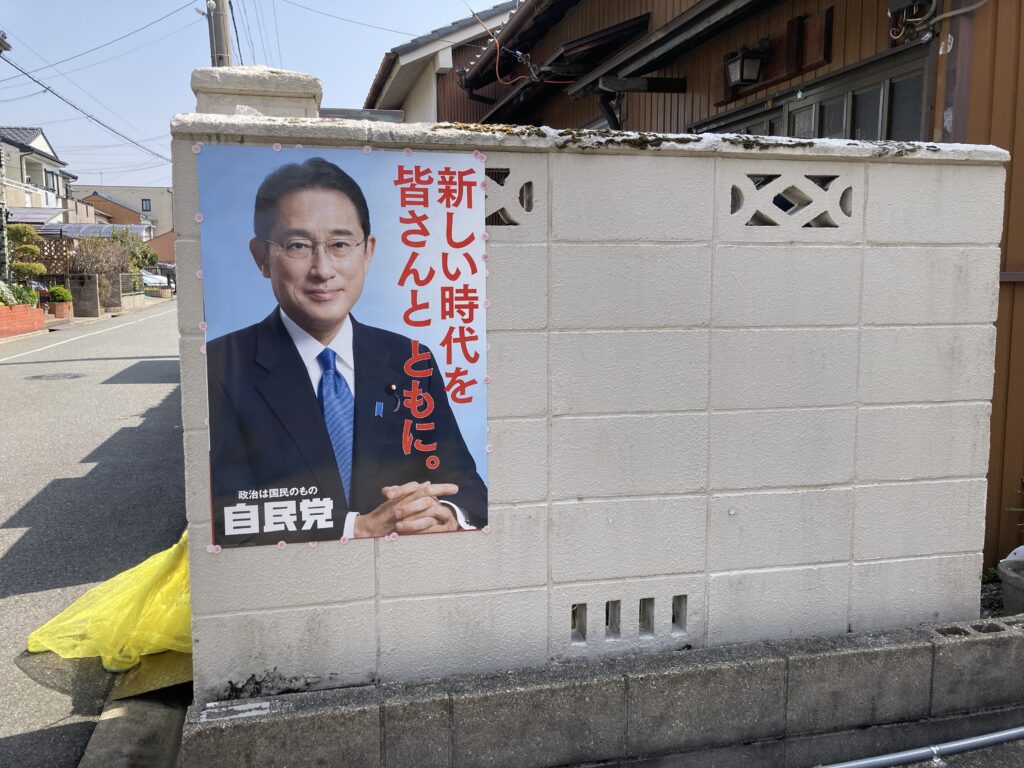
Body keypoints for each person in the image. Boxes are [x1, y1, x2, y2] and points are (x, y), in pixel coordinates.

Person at [206, 157, 487, 546]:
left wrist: (447, 515)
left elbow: (466, 486)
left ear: (367, 252)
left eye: (340, 244)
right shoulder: (219, 367)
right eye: (298, 245)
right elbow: (218, 516)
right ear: (262, 257)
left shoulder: (411, 360)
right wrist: (355, 528)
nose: (323, 270)